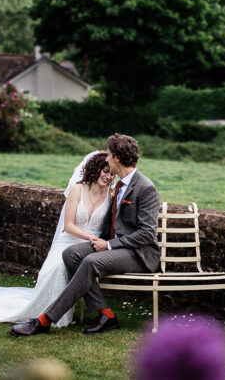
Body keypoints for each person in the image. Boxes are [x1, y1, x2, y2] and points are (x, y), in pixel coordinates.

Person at [0, 150, 114, 327]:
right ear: (95, 168)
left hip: (92, 246)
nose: (109, 177)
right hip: (70, 241)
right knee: (55, 269)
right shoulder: (77, 189)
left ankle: (59, 315)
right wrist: (91, 236)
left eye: (113, 174)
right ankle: (46, 313)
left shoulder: (110, 194)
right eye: (105, 171)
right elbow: (68, 226)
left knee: (78, 266)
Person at [10, 133, 160, 337]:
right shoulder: (118, 185)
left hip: (139, 253)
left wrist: (108, 246)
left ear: (116, 158)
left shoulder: (145, 187)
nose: (106, 159)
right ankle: (106, 314)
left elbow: (147, 233)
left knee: (91, 262)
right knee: (71, 254)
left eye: (108, 155)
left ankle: (44, 320)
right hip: (118, 246)